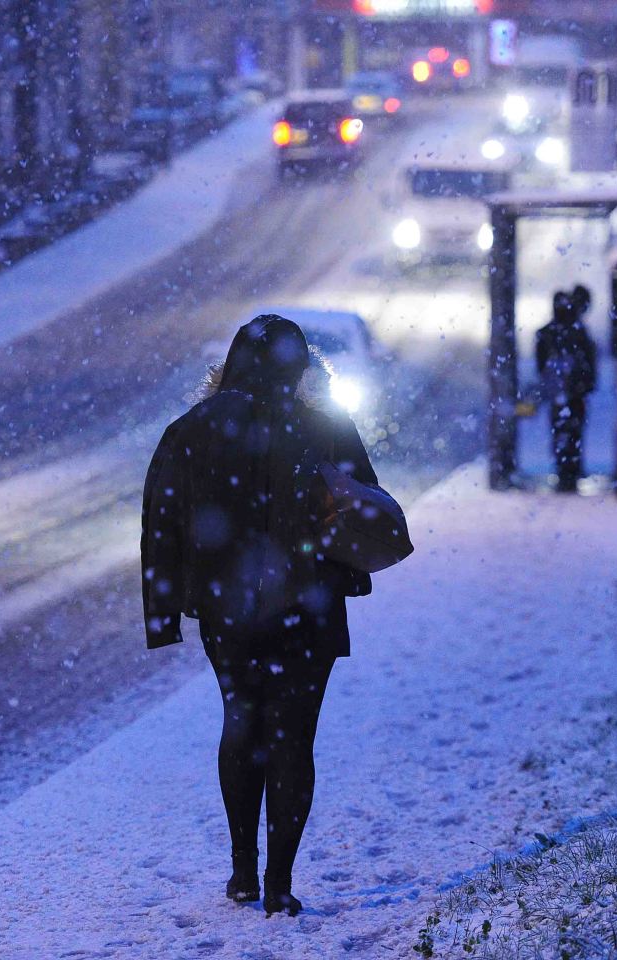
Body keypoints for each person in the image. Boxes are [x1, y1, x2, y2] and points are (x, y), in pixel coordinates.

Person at [141, 315, 378, 916]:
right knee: (294, 737)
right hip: (309, 603)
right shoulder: (326, 427)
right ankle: (280, 883)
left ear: (232, 364)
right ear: (301, 367)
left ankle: (241, 872)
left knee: (241, 723)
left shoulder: (192, 430)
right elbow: (366, 508)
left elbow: (162, 521)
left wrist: (165, 613)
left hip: (228, 610)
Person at [536, 290, 597, 492]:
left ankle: (564, 469)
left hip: (559, 392)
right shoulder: (578, 331)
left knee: (560, 430)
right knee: (574, 431)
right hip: (575, 392)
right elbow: (589, 361)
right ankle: (571, 469)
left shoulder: (547, 333)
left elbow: (541, 364)